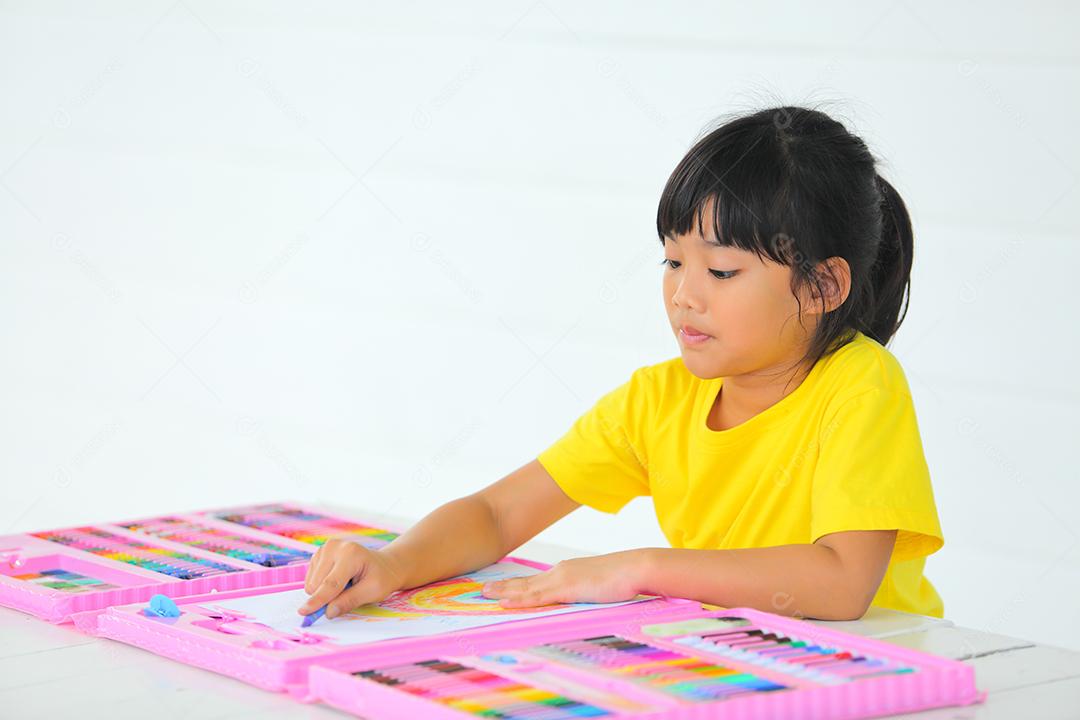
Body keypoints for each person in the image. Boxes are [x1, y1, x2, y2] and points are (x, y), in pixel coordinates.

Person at [298, 105, 944, 623]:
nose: (683, 294)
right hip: (747, 658)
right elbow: (496, 515)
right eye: (673, 261)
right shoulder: (657, 401)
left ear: (823, 286)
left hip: (883, 671)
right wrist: (393, 564)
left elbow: (842, 584)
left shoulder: (860, 385)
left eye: (721, 270)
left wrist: (640, 568)